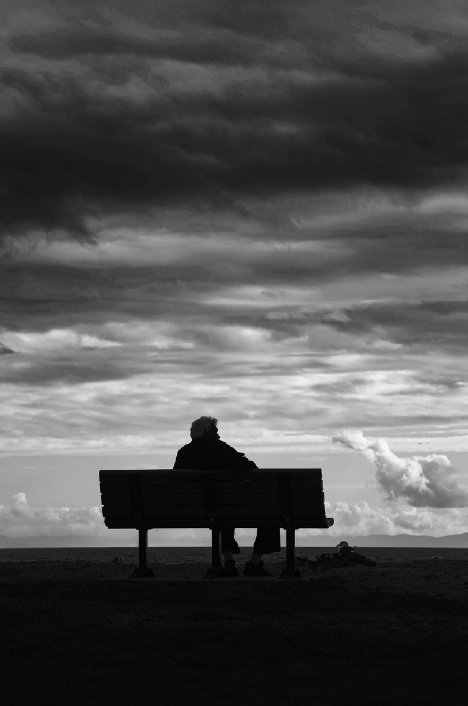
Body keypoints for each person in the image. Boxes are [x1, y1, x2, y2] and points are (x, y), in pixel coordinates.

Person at [173, 416, 281, 577]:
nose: (218, 435)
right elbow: (249, 467)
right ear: (206, 433)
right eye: (215, 431)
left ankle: (229, 561)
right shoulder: (219, 448)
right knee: (270, 509)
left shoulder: (183, 453)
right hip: (227, 506)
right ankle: (255, 562)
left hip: (196, 510)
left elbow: (177, 481)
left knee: (221, 508)